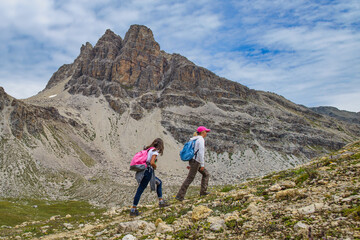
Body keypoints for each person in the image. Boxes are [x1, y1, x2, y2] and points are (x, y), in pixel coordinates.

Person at [130, 138, 168, 216]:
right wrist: (155, 166)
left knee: (158, 182)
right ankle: (133, 210)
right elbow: (152, 162)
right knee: (140, 190)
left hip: (145, 171)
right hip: (148, 171)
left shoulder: (149, 150)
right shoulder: (155, 151)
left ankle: (161, 201)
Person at [176, 126, 211, 201]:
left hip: (193, 161)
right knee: (190, 178)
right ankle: (180, 196)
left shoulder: (195, 139)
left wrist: (191, 164)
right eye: (206, 132)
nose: (206, 133)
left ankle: (203, 192)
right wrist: (202, 164)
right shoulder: (201, 140)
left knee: (206, 174)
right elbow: (201, 153)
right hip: (196, 162)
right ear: (202, 132)